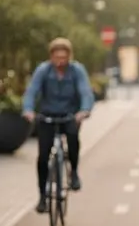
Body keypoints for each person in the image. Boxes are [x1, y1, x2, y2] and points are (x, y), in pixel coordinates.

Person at [22, 37, 94, 214]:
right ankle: (42, 197)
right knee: (43, 157)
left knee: (73, 138)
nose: (60, 61)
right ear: (51, 57)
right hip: (47, 116)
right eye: (57, 57)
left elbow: (86, 92)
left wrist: (84, 110)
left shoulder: (77, 71)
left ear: (69, 56)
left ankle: (74, 172)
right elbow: (32, 91)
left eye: (64, 57)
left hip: (70, 115)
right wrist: (28, 110)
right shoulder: (43, 70)